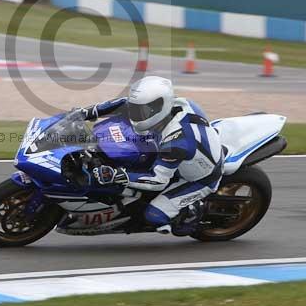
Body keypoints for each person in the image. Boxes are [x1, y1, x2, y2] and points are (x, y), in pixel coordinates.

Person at [77, 76, 223, 235]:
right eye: (136, 108)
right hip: (188, 151)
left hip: (198, 178)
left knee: (154, 216)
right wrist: (85, 113)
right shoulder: (172, 105)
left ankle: (193, 212)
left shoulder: (176, 142)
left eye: (142, 110)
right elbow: (122, 103)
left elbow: (157, 180)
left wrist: (117, 175)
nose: (135, 114)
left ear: (160, 106)